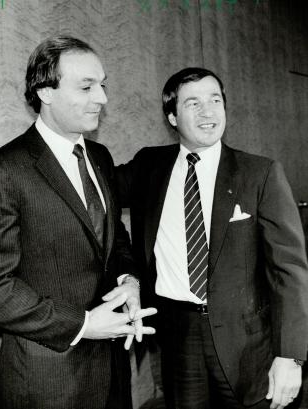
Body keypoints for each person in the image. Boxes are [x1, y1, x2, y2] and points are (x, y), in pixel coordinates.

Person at [0, 35, 156, 409]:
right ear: (45, 92)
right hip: (48, 382)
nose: (103, 98)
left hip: (113, 374)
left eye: (102, 85)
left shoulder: (100, 156)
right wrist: (82, 325)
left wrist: (130, 281)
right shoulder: (2, 170)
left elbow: (115, 241)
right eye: (86, 87)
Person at [116, 67, 308, 409]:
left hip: (247, 343)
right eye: (193, 103)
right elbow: (96, 194)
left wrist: (291, 356)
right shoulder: (149, 165)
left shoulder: (259, 173)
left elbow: (289, 271)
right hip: (176, 336)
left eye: (215, 100)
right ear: (172, 116)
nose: (208, 112)